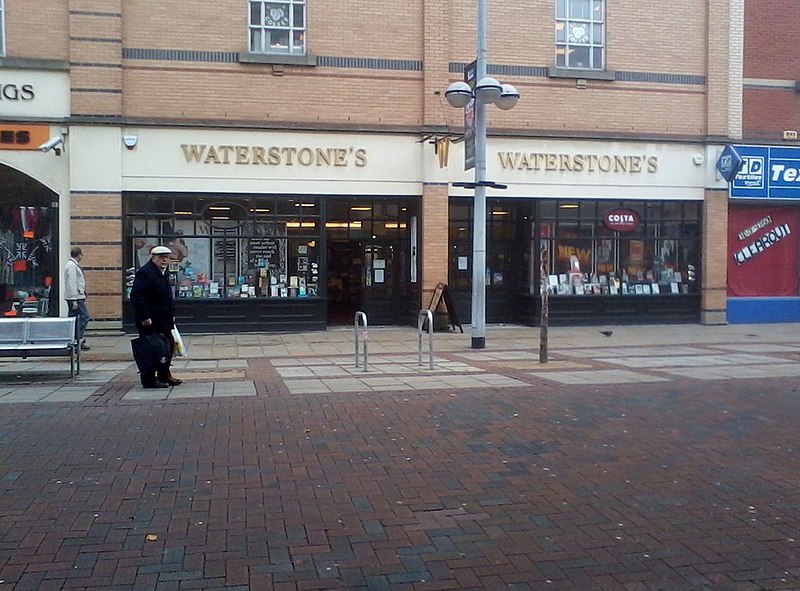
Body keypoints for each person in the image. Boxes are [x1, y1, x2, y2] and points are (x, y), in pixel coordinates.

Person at [129, 245, 183, 388]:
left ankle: (164, 376)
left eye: (167, 257)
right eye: (161, 257)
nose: (164, 260)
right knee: (151, 350)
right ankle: (148, 380)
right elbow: (137, 296)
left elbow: (167, 297)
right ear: (153, 258)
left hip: (163, 319)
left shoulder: (162, 272)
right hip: (150, 321)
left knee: (167, 348)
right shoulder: (146, 273)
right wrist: (145, 317)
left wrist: (172, 315)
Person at [64, 246, 91, 350]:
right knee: (84, 317)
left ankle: (74, 340)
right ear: (79, 254)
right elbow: (72, 283)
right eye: (81, 254)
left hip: (75, 296)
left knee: (73, 319)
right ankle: (77, 339)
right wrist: (74, 299)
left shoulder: (72, 265)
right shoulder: (72, 266)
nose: (82, 257)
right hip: (76, 297)